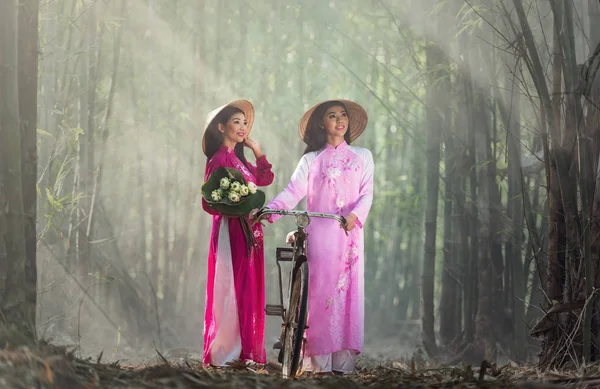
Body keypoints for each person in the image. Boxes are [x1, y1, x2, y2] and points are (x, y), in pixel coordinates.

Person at [259, 99, 374, 375]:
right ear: (322, 124)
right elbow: (292, 191)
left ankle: (343, 366)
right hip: (320, 236)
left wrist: (355, 216)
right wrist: (271, 210)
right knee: (320, 298)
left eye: (343, 115)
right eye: (332, 116)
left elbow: (366, 193)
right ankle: (319, 365)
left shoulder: (363, 156)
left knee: (347, 297)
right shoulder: (311, 160)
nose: (339, 120)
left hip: (348, 238)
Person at [201, 99, 274, 366]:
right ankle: (227, 352)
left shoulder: (239, 159)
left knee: (249, 289)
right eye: (236, 122)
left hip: (251, 233)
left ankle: (248, 351)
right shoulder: (219, 159)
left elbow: (264, 179)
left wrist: (257, 151)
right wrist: (234, 206)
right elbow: (208, 202)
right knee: (233, 286)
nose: (243, 127)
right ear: (221, 127)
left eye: (245, 123)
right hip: (230, 233)